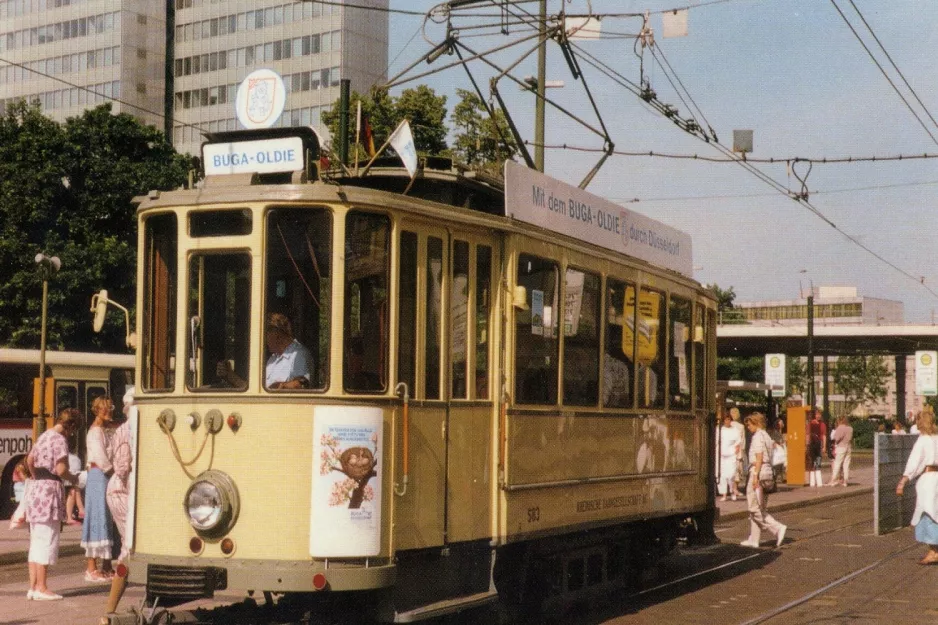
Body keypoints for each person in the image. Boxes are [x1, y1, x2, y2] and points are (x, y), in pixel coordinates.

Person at [24, 408, 80, 600]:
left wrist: (35, 476)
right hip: (50, 492)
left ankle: (32, 587)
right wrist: (73, 478)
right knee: (47, 539)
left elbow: (29, 459)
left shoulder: (44, 435)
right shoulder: (60, 439)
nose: (72, 434)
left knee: (36, 540)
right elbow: (61, 469)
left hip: (37, 489)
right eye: (73, 430)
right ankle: (42, 587)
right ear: (70, 426)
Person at [101, 396, 134, 625]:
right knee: (129, 546)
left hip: (125, 490)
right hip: (122, 491)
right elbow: (122, 467)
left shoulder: (130, 426)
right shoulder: (126, 429)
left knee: (130, 544)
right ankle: (109, 610)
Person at [216, 312, 312, 389]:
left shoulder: (299, 354)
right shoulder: (273, 359)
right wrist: (229, 375)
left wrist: (283, 387)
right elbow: (255, 392)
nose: (262, 339)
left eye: (265, 334)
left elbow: (302, 384)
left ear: (275, 334)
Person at [896, 408, 938, 565]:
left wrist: (904, 480)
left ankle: (934, 550)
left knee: (927, 513)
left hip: (928, 479)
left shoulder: (923, 440)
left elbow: (914, 462)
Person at [740, 412, 787, 549]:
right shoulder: (767, 436)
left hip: (758, 472)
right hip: (767, 473)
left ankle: (777, 528)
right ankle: (754, 539)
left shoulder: (757, 437)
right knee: (760, 507)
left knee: (753, 507)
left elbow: (759, 458)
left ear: (756, 423)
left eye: (749, 424)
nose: (748, 427)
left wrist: (755, 476)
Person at [81, 396, 115, 583]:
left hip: (106, 476)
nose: (109, 411)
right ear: (97, 411)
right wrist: (115, 471)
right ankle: (91, 567)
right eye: (105, 409)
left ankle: (107, 565)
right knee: (97, 516)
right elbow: (101, 459)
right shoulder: (94, 432)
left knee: (108, 518)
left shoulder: (107, 431)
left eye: (110, 408)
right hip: (99, 476)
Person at [716, 413, 742, 501]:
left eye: (729, 419)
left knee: (731, 475)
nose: (727, 421)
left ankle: (732, 491)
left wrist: (736, 451)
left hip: (731, 455)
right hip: (722, 456)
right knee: (722, 476)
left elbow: (738, 442)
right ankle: (724, 494)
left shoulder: (735, 430)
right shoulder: (719, 430)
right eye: (726, 420)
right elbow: (716, 442)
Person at [828, 415, 853, 487]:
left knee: (837, 463)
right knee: (846, 464)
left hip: (841, 447)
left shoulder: (840, 428)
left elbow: (836, 438)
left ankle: (833, 480)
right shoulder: (850, 428)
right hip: (848, 446)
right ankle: (845, 481)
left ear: (839, 421)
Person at [65, 447, 86, 525]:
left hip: (68, 481)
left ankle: (78, 511)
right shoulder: (75, 458)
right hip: (67, 481)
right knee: (75, 488)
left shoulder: (70, 458)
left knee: (74, 489)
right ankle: (81, 509)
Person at [806, 409, 827, 487]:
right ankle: (813, 482)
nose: (818, 416)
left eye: (819, 414)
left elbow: (824, 435)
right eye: (817, 414)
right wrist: (807, 444)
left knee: (818, 461)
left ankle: (818, 482)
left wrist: (824, 446)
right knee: (812, 462)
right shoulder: (810, 424)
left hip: (819, 444)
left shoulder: (823, 424)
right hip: (812, 444)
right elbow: (807, 435)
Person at [729, 407, 747, 490]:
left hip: (728, 450)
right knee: (737, 469)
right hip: (738, 451)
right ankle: (735, 488)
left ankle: (730, 488)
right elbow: (743, 442)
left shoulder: (728, 425)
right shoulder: (741, 426)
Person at [769, 418, 787, 483]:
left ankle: (781, 477)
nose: (782, 423)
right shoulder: (775, 432)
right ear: (778, 424)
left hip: (781, 451)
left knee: (781, 465)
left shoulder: (779, 432)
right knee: (778, 465)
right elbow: (775, 441)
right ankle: (776, 477)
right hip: (778, 452)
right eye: (781, 422)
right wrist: (782, 443)